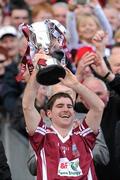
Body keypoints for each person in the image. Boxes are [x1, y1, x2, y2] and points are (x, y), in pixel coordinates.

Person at [22, 51, 104, 179]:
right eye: (60, 106)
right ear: (49, 113)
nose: (66, 109)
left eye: (69, 106)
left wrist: (76, 85)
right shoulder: (42, 136)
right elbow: (27, 107)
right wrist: (36, 73)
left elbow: (98, 107)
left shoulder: (83, 134)